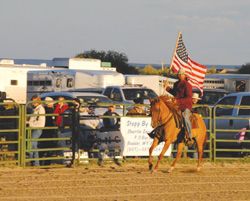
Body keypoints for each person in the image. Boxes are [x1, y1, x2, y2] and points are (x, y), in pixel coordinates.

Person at [165, 68, 193, 144]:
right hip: (177, 106)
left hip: (185, 106)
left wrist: (177, 101)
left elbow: (189, 98)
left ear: (184, 75)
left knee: (185, 116)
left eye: (181, 74)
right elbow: (175, 94)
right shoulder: (176, 84)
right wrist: (167, 88)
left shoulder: (188, 85)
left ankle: (189, 135)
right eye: (179, 74)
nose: (179, 75)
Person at [27, 95, 45, 166]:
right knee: (33, 144)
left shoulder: (40, 109)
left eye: (35, 101)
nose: (33, 103)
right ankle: (33, 161)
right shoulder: (37, 109)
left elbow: (40, 121)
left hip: (37, 128)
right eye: (33, 101)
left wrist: (30, 123)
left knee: (33, 144)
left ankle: (35, 162)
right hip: (35, 127)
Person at [39, 97, 57, 165]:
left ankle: (40, 162)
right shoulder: (50, 110)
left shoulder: (44, 110)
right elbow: (52, 121)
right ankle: (47, 162)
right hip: (49, 131)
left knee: (43, 147)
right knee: (50, 147)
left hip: (45, 130)